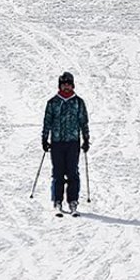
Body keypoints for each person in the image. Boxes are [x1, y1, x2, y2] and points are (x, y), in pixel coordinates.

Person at [41, 72, 90, 216]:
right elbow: (47, 122)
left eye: (69, 84)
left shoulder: (78, 102)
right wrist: (44, 139)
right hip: (57, 142)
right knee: (58, 172)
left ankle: (73, 200)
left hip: (73, 142)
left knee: (72, 172)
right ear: (60, 86)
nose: (66, 87)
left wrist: (86, 139)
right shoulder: (53, 102)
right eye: (64, 84)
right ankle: (57, 200)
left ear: (72, 85)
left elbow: (83, 121)